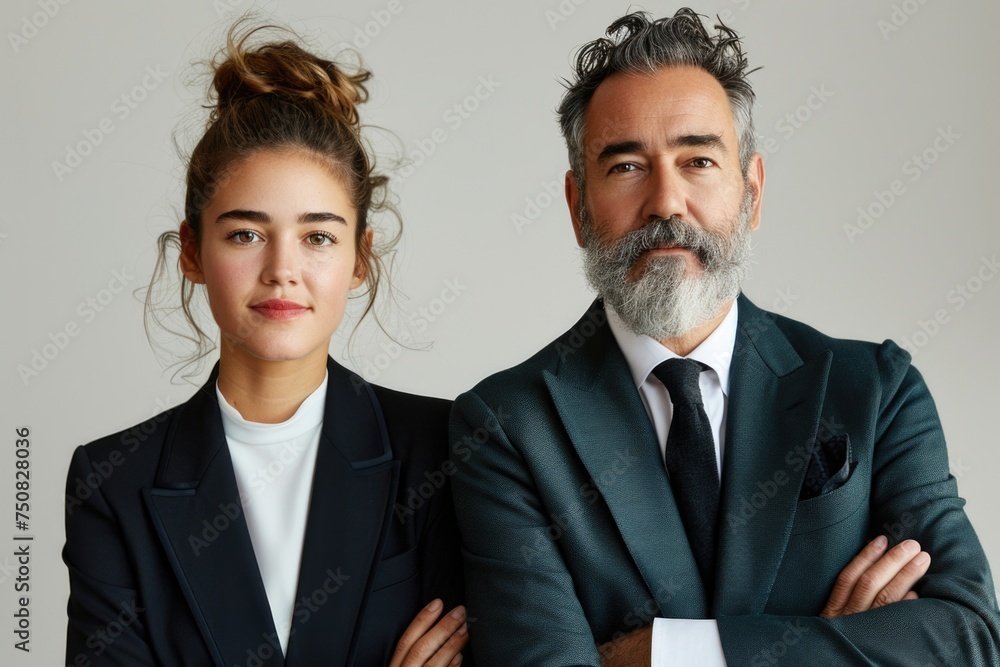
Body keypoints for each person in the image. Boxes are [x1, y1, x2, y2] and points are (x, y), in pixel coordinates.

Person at [449, 9, 1000, 666]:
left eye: (699, 159)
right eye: (626, 167)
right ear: (577, 206)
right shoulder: (505, 426)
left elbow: (969, 636)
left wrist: (664, 653)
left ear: (752, 191)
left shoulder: (877, 390)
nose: (667, 203)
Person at [63, 20, 468, 667]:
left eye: (318, 237)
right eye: (246, 234)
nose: (283, 268)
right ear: (192, 251)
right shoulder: (113, 484)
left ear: (360, 257)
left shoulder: (445, 447)